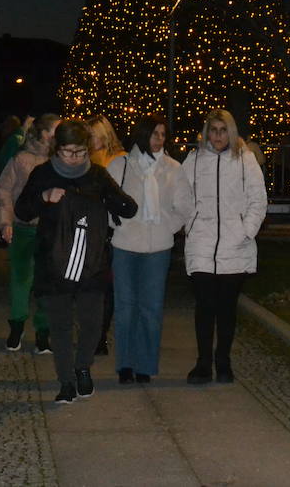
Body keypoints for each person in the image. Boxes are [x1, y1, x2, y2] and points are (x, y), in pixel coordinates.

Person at [15, 119, 137, 404]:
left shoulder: (96, 175)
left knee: (92, 324)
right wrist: (44, 197)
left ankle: (83, 367)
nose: (76, 158)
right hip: (54, 263)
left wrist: (113, 202)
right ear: (57, 149)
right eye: (69, 152)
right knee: (60, 326)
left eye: (81, 152)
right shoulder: (43, 174)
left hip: (91, 263)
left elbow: (127, 206)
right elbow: (22, 209)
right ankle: (66, 381)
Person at [179, 108, 267, 385]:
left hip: (235, 245)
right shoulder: (194, 160)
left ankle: (223, 362)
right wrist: (189, 225)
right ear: (206, 132)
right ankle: (203, 363)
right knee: (205, 307)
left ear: (231, 131)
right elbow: (181, 196)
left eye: (222, 130)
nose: (217, 136)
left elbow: (258, 199)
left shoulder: (246, 161)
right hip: (202, 244)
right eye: (213, 130)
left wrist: (246, 230)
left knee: (226, 309)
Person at [106, 115, 191, 385]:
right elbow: (104, 200)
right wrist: (115, 223)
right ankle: (125, 365)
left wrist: (168, 226)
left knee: (151, 308)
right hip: (125, 244)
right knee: (125, 307)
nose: (159, 140)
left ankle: (145, 364)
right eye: (155, 134)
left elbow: (185, 206)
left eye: (163, 135)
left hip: (158, 247)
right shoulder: (119, 165)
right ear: (142, 135)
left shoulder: (173, 168)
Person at [0, 113, 59, 354]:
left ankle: (44, 332)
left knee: (47, 282)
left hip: (50, 231)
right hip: (24, 228)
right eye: (55, 131)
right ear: (43, 133)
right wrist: (6, 222)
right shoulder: (21, 159)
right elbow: (4, 190)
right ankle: (17, 326)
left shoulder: (60, 161)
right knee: (21, 280)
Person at [85, 114, 127, 355]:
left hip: (109, 230)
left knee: (106, 288)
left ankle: (100, 335)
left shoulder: (117, 161)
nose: (91, 141)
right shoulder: (89, 159)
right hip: (91, 228)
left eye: (93, 136)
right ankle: (94, 333)